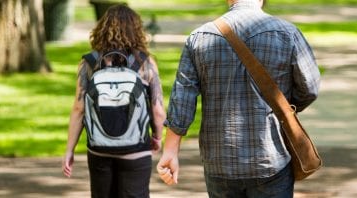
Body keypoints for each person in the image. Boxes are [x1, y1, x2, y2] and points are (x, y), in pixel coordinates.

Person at [156, 0, 321, 197]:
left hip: (219, 160)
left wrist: (170, 152)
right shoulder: (287, 33)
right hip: (271, 156)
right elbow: (309, 88)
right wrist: (283, 108)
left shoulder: (199, 38)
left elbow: (181, 101)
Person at [62, 5, 166, 198]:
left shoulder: (89, 63)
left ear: (102, 29)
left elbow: (78, 109)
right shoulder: (145, 63)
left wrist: (70, 150)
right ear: (137, 30)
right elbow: (158, 110)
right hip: (135, 148)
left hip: (100, 149)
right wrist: (157, 138)